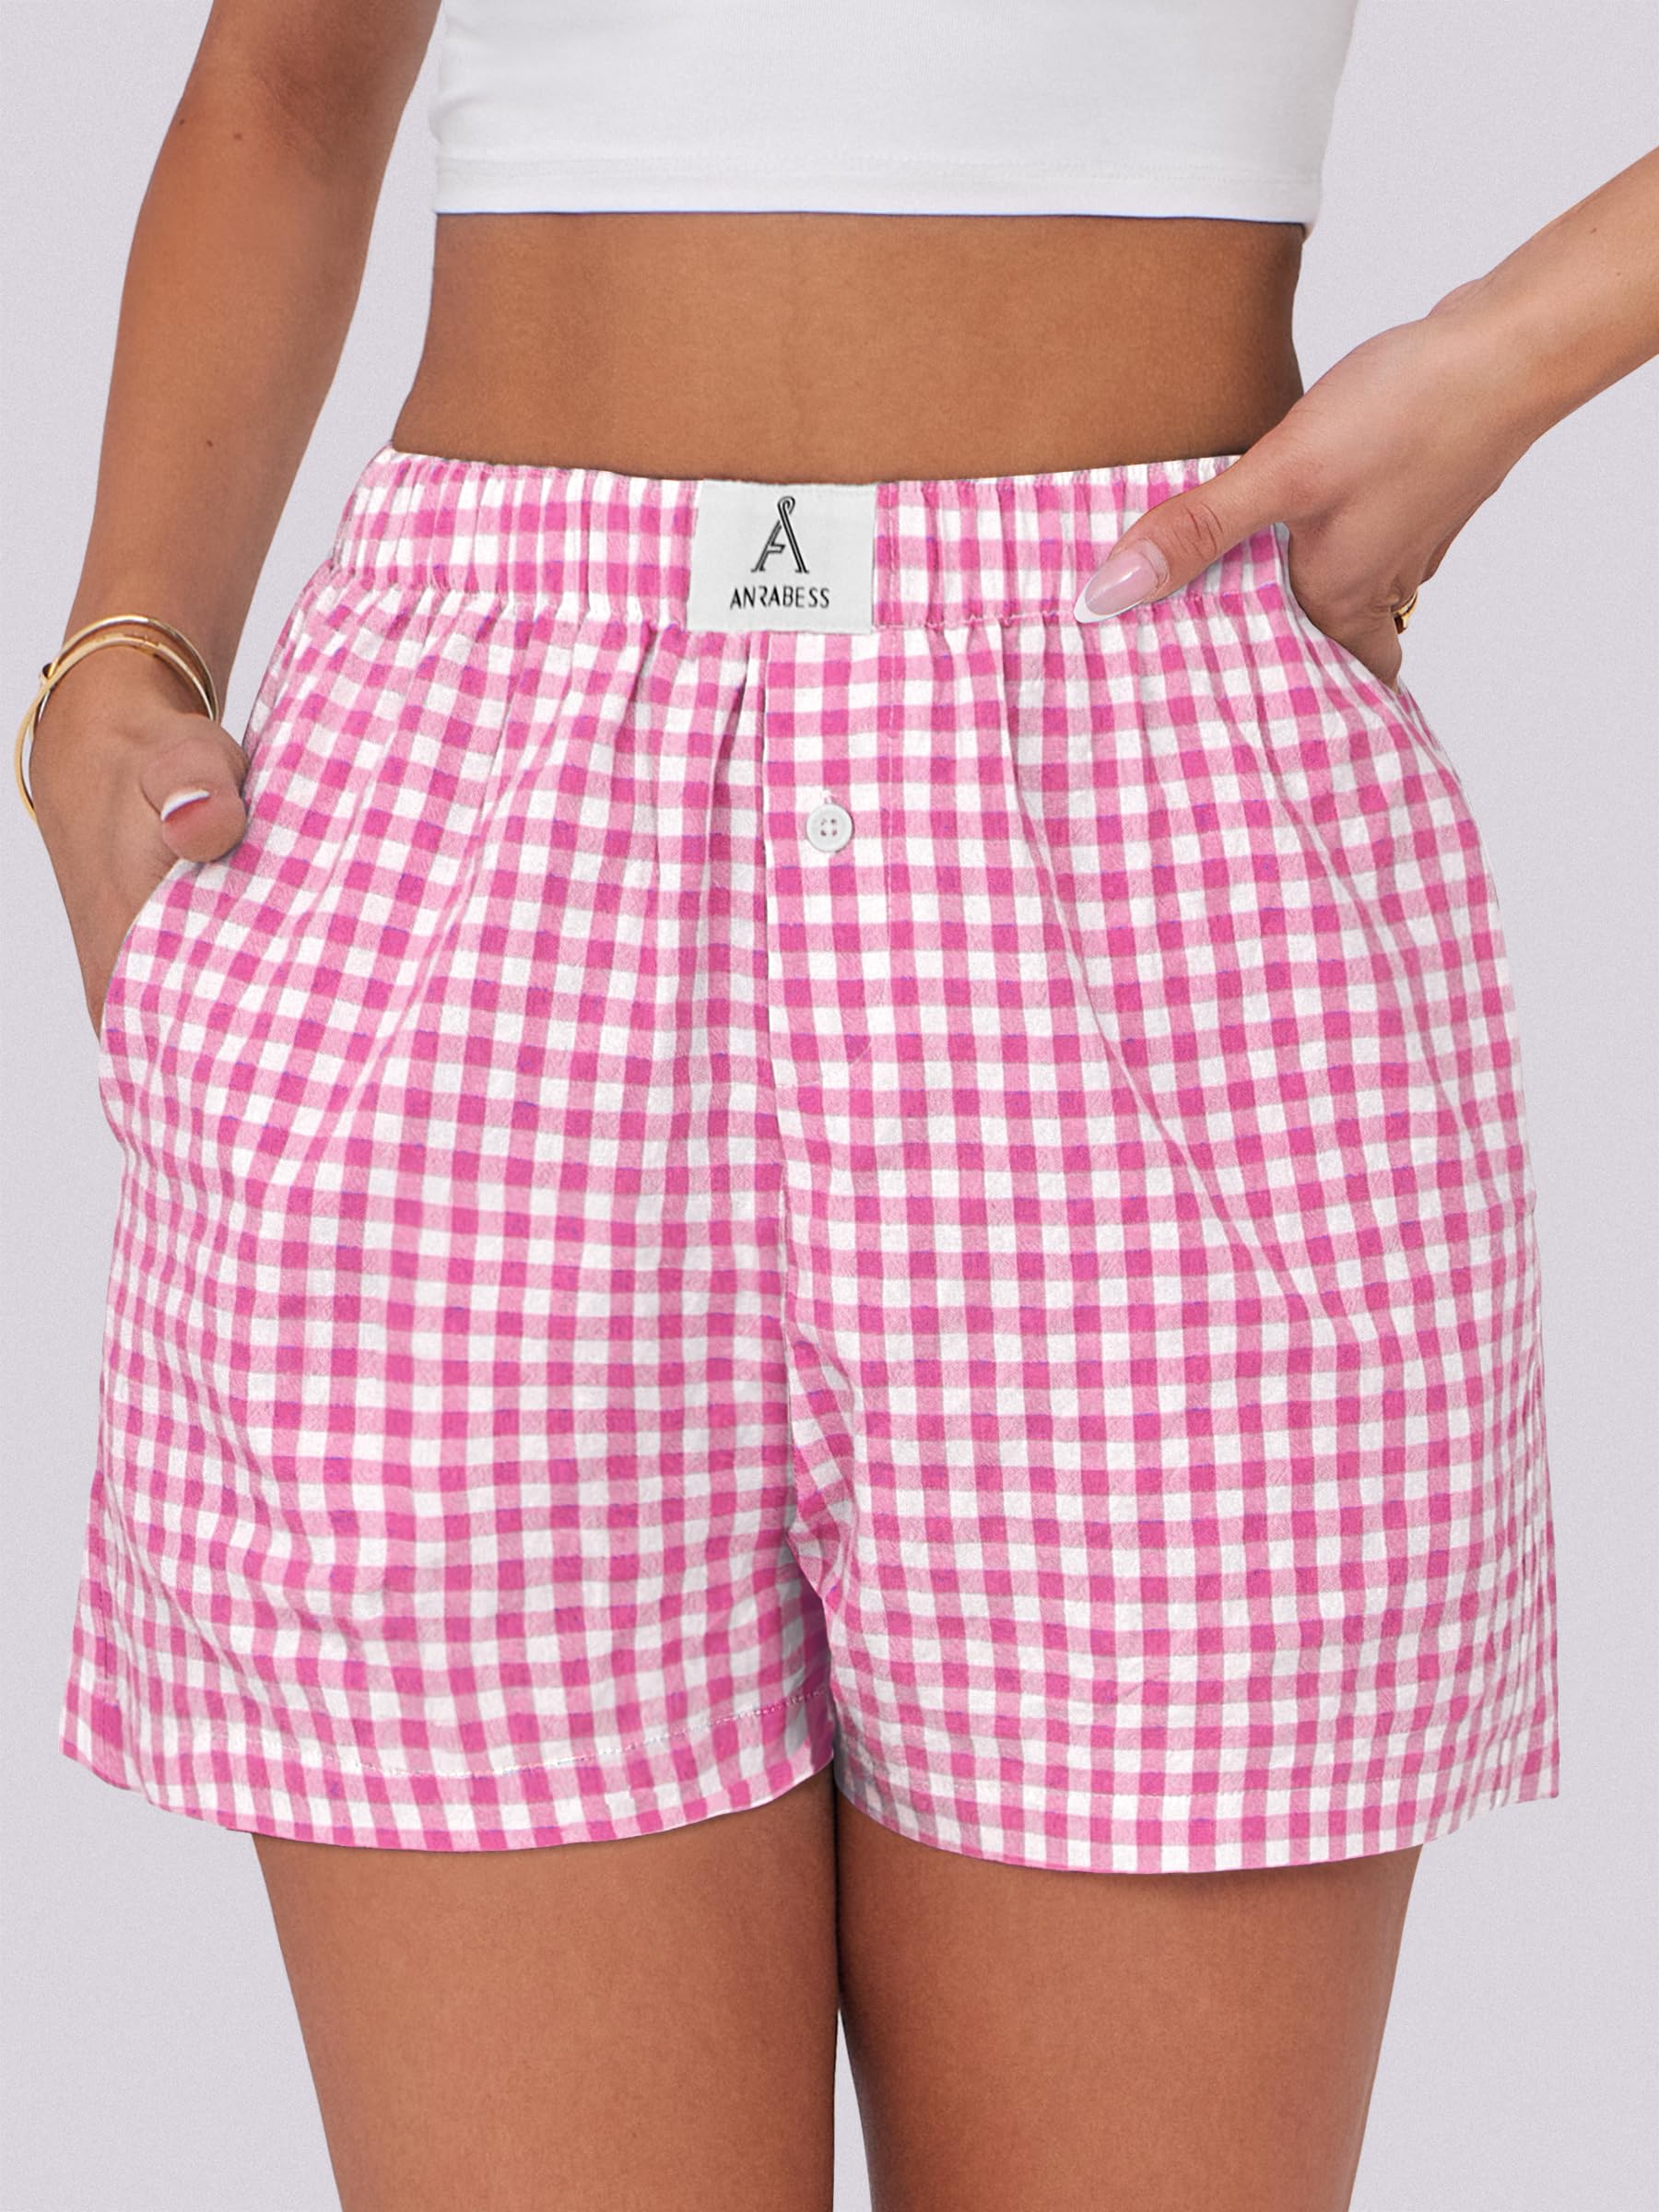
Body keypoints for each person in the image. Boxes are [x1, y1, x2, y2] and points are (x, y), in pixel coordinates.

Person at [15, 1, 1653, 2204]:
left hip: (1146, 807)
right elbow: (293, 81)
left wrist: (1501, 357)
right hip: (490, 834)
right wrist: (123, 649)